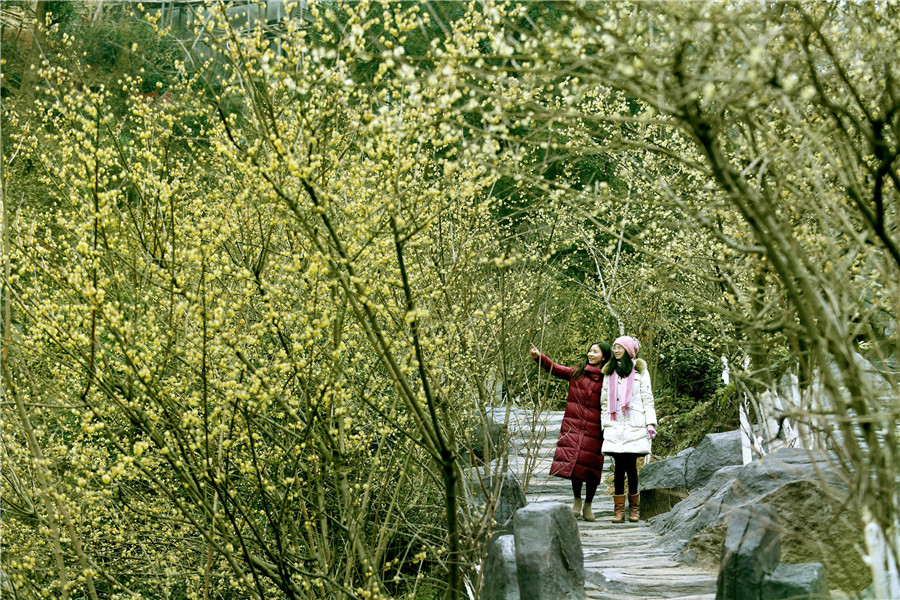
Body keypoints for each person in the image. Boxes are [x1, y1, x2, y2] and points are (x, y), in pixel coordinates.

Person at [530, 341, 612, 522]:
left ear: (604, 357)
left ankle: (588, 504)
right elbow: (556, 368)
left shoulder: (609, 379)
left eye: (595, 352)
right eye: (590, 351)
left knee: (591, 466)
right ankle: (577, 501)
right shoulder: (578, 373)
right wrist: (540, 357)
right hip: (574, 426)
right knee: (577, 467)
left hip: (596, 428)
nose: (590, 354)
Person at [600, 336, 658, 523]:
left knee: (631, 468)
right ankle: (618, 511)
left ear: (629, 350)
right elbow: (603, 401)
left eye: (620, 348)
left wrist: (650, 423)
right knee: (618, 468)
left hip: (634, 423)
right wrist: (604, 424)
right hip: (615, 423)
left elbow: (647, 398)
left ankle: (634, 509)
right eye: (614, 347)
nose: (615, 351)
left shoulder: (640, 372)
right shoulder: (609, 371)